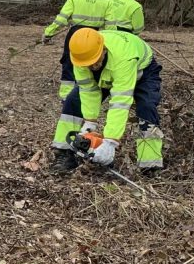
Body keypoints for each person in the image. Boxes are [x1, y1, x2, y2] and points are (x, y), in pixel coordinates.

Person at [51, 28, 163, 174]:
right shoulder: (80, 57)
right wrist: (90, 122)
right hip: (108, 71)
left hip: (141, 72)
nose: (91, 66)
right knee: (73, 100)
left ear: (103, 49)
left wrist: (110, 141)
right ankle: (64, 153)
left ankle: (150, 164)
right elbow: (88, 90)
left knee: (146, 108)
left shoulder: (124, 57)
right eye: (87, 64)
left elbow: (120, 102)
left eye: (94, 62)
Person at [41, 0, 109, 100]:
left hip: (76, 34)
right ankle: (89, 92)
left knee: (69, 61)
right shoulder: (106, 2)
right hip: (95, 35)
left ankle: (66, 95)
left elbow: (61, 20)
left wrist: (48, 33)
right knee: (94, 62)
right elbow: (108, 24)